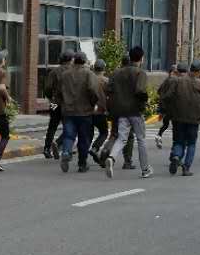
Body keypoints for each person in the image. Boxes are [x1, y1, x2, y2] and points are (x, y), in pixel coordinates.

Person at [102, 45, 152, 178]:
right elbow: (140, 91)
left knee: (122, 138)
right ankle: (145, 169)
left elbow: (108, 89)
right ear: (141, 58)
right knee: (141, 139)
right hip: (135, 111)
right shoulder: (140, 73)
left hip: (121, 111)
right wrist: (146, 101)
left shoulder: (117, 73)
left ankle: (111, 157)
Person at [163, 61, 200, 175]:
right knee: (191, 143)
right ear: (199, 71)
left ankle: (176, 156)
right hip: (194, 118)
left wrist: (172, 107)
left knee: (179, 141)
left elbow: (167, 96)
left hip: (178, 116)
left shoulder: (177, 81)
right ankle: (186, 167)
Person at [55, 51, 101, 173]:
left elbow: (58, 92)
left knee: (68, 135)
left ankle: (66, 151)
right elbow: (93, 90)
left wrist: (61, 103)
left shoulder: (65, 74)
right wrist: (93, 103)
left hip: (68, 111)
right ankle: (82, 164)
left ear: (74, 60)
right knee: (83, 138)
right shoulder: (89, 74)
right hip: (84, 111)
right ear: (84, 61)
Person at [88, 59, 112, 165]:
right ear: (104, 68)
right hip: (101, 111)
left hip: (88, 111)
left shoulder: (89, 79)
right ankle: (95, 148)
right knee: (104, 132)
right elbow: (111, 97)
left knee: (88, 134)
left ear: (94, 68)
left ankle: (82, 160)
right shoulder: (106, 81)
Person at [42, 56, 66, 160]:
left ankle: (47, 149)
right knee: (69, 127)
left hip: (54, 103)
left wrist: (50, 98)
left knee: (52, 126)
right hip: (66, 104)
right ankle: (59, 143)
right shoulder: (71, 72)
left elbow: (47, 88)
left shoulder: (53, 72)